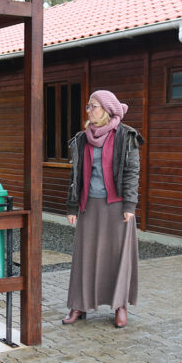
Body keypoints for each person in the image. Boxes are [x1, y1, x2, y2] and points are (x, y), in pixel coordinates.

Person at [63, 90, 143, 328]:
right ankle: (79, 304)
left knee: (118, 256)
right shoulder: (80, 138)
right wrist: (72, 206)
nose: (89, 110)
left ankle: (120, 305)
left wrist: (130, 204)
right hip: (89, 205)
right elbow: (74, 175)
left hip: (117, 206)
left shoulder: (125, 136)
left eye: (93, 106)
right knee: (84, 256)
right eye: (88, 106)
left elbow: (131, 172)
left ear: (107, 110)